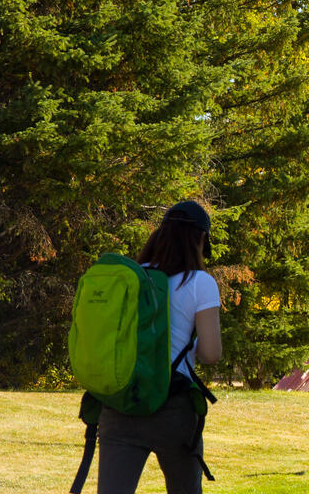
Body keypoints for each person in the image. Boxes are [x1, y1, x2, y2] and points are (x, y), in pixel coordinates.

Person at [100, 200, 221, 494]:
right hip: (173, 407)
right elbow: (210, 354)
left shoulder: (132, 276)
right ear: (200, 241)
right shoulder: (199, 282)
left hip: (121, 403)